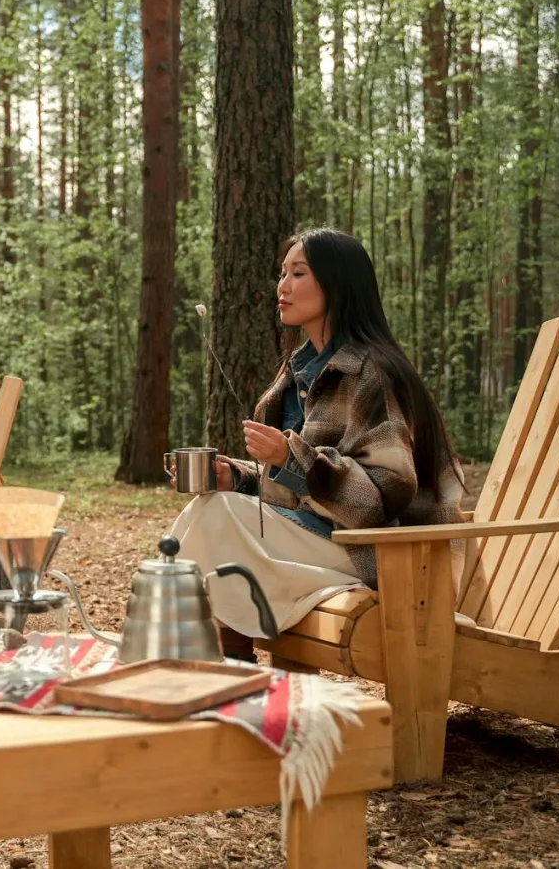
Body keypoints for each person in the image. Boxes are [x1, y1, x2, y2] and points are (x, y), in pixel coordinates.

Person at [170, 228, 465, 657]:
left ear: (337, 283)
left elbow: (381, 497)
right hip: (320, 541)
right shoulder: (299, 374)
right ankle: (224, 664)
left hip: (380, 556)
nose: (282, 286)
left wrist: (292, 458)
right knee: (216, 507)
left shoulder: (371, 373)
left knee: (217, 519)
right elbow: (298, 489)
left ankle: (206, 659)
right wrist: (236, 476)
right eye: (282, 273)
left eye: (299, 273)